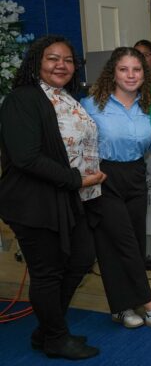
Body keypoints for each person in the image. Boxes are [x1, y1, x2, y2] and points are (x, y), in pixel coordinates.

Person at [0, 35, 105, 359]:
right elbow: (25, 157)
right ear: (37, 63)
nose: (61, 65)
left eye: (68, 60)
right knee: (48, 272)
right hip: (33, 202)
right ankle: (56, 338)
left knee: (80, 260)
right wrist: (76, 179)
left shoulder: (66, 98)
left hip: (70, 197)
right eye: (52, 58)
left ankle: (46, 330)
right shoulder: (22, 99)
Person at [81, 47, 151, 331]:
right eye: (124, 69)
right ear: (112, 73)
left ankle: (122, 306)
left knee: (134, 243)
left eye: (136, 70)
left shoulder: (148, 106)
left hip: (136, 174)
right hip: (103, 177)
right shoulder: (91, 105)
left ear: (145, 73)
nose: (130, 75)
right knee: (122, 242)